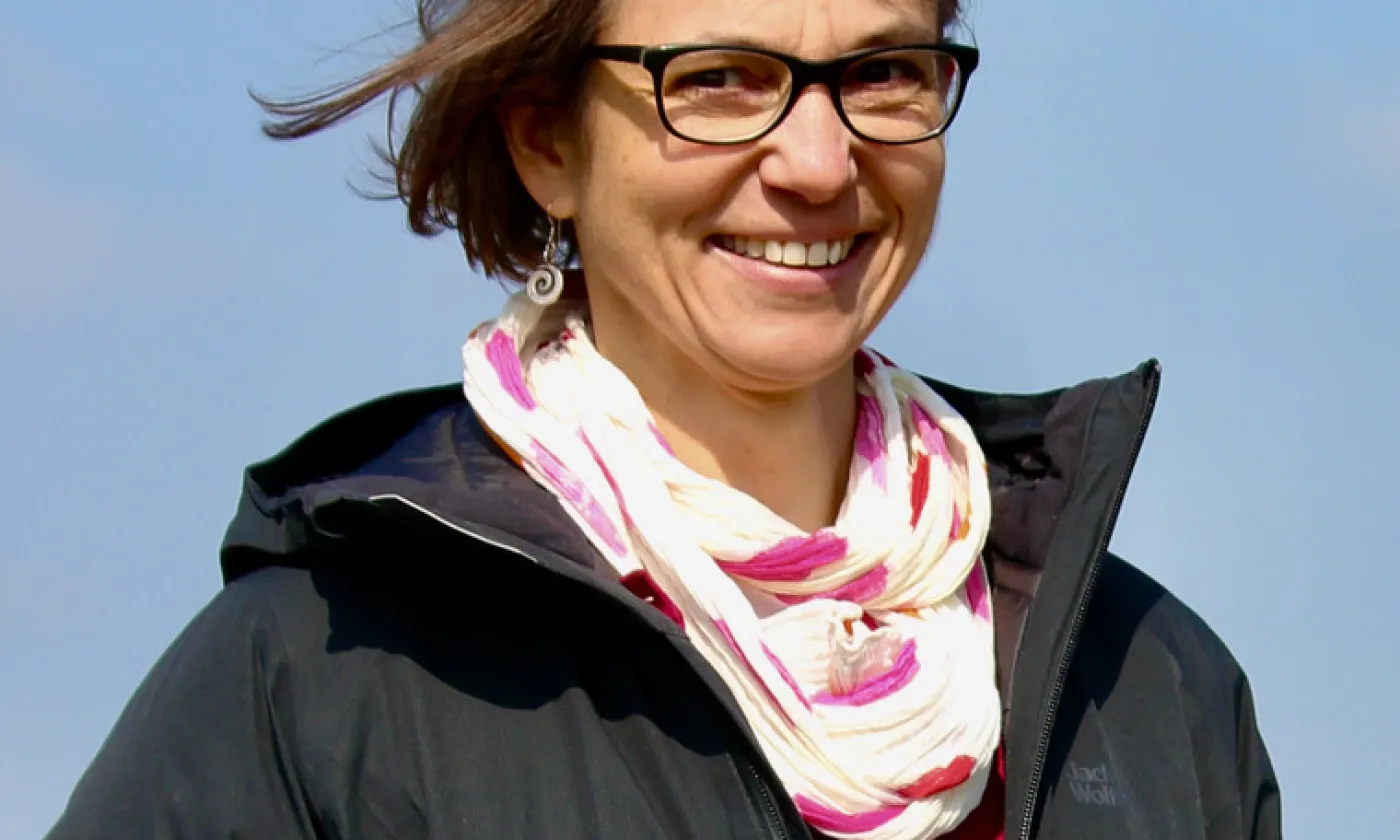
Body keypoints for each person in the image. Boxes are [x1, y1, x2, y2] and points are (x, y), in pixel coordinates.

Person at [46, 0, 1282, 837]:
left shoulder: (1152, 686)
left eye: (882, 71)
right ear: (545, 143)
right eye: (720, 80)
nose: (817, 162)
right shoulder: (317, 680)